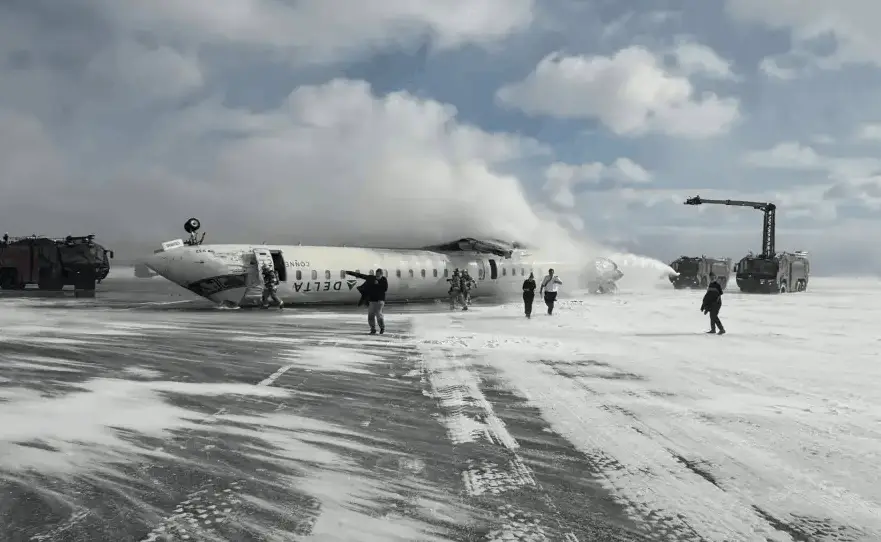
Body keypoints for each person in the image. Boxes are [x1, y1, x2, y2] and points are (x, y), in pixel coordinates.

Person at [346, 268, 388, 334]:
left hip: (380, 301)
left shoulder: (383, 280)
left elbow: (385, 288)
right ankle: (373, 329)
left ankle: (382, 327)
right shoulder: (371, 278)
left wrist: (378, 284)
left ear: (381, 275)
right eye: (376, 275)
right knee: (370, 315)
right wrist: (350, 272)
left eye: (378, 275)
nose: (377, 277)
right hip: (372, 301)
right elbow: (361, 276)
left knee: (379, 315)